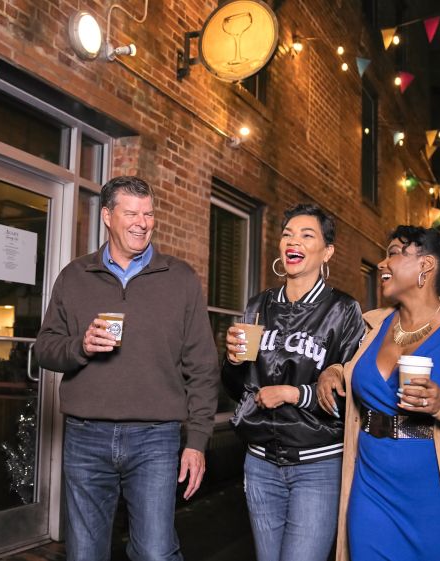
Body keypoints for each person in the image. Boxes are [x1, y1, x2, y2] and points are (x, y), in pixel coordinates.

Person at [34, 176, 219, 561]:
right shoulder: (75, 276)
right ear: (107, 216)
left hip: (156, 438)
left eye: (148, 214)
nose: (142, 222)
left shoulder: (180, 278)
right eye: (131, 213)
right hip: (85, 435)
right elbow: (44, 349)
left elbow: (203, 366)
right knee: (84, 554)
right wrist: (81, 346)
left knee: (155, 553)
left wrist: (198, 441)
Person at [317, 225, 440, 561]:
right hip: (371, 488)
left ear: (426, 265)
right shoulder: (371, 326)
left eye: (394, 253)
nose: (382, 264)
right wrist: (333, 372)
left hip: (437, 494)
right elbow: (352, 367)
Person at [221, 204, 366, 561]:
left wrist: (294, 394)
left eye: (306, 235)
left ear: (327, 252)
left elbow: (352, 394)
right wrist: (232, 361)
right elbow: (238, 388)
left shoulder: (343, 310)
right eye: (287, 234)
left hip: (317, 465)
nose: (293, 241)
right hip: (260, 463)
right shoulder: (259, 305)